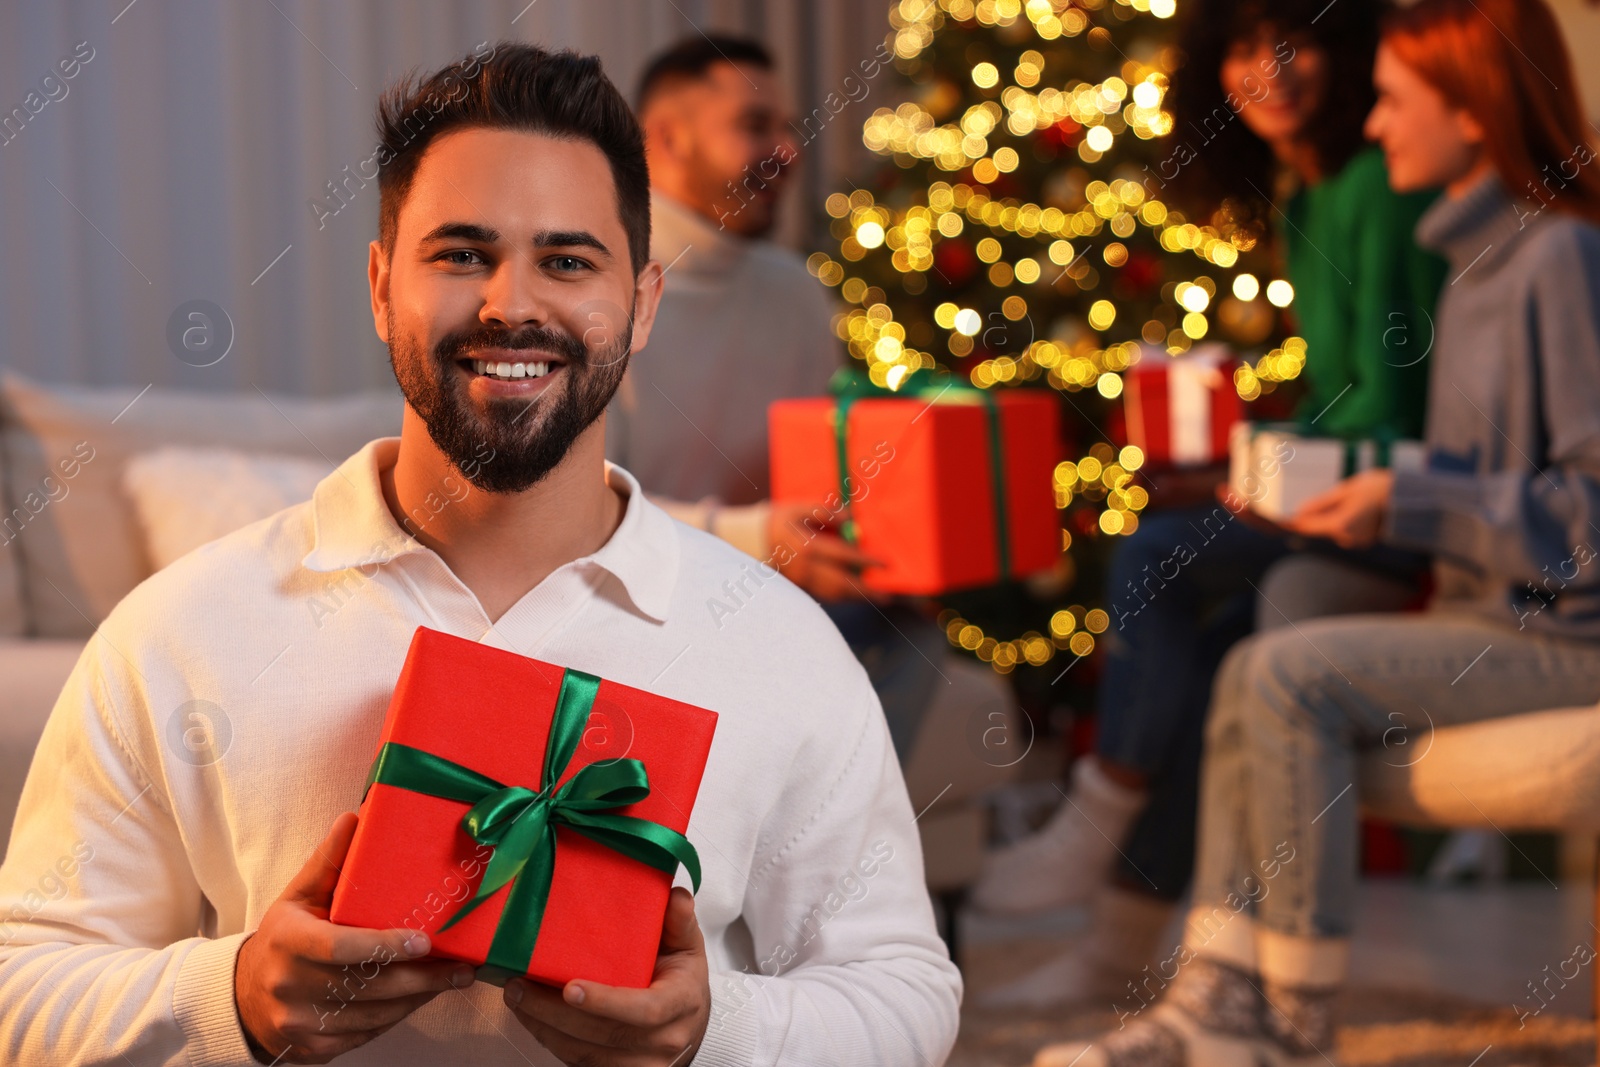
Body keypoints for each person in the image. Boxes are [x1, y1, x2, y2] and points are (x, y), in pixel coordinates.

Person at [0, 44, 960, 1066]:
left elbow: (903, 991)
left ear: (640, 303)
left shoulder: (779, 642)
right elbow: (22, 983)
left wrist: (716, 1027)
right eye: (461, 254)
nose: (511, 303)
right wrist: (227, 995)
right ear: (380, 288)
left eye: (567, 259)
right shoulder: (178, 627)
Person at [1033, 0, 1600, 1062]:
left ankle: (1283, 1020)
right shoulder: (1480, 265)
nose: (1373, 127)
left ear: (1473, 113)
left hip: (1565, 632)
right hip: (1496, 610)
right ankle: (1218, 995)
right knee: (1262, 662)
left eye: (1391, 100)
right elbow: (1476, 474)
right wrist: (1384, 487)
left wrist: (1404, 500)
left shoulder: (1558, 262)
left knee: (1284, 674)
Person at [975, 0, 1448, 1007]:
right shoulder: (1308, 188)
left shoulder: (1378, 187)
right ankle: (1118, 942)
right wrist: (1243, 457)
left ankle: (1101, 805)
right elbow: (1337, 394)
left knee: (1155, 551)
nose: (1266, 69)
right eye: (1239, 48)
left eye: (1293, 40)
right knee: (1207, 655)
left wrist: (1253, 467)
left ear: (1349, 51)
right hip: (1333, 489)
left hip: (1395, 509)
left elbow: (1396, 410)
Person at [611, 36, 949, 762]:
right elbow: (576, 507)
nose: (788, 150)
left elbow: (815, 472)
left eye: (788, 128)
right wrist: (753, 540)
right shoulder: (599, 287)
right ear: (665, 138)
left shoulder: (795, 291)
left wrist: (884, 544)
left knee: (911, 636)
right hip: (632, 607)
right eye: (755, 126)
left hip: (764, 593)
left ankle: (825, 864)